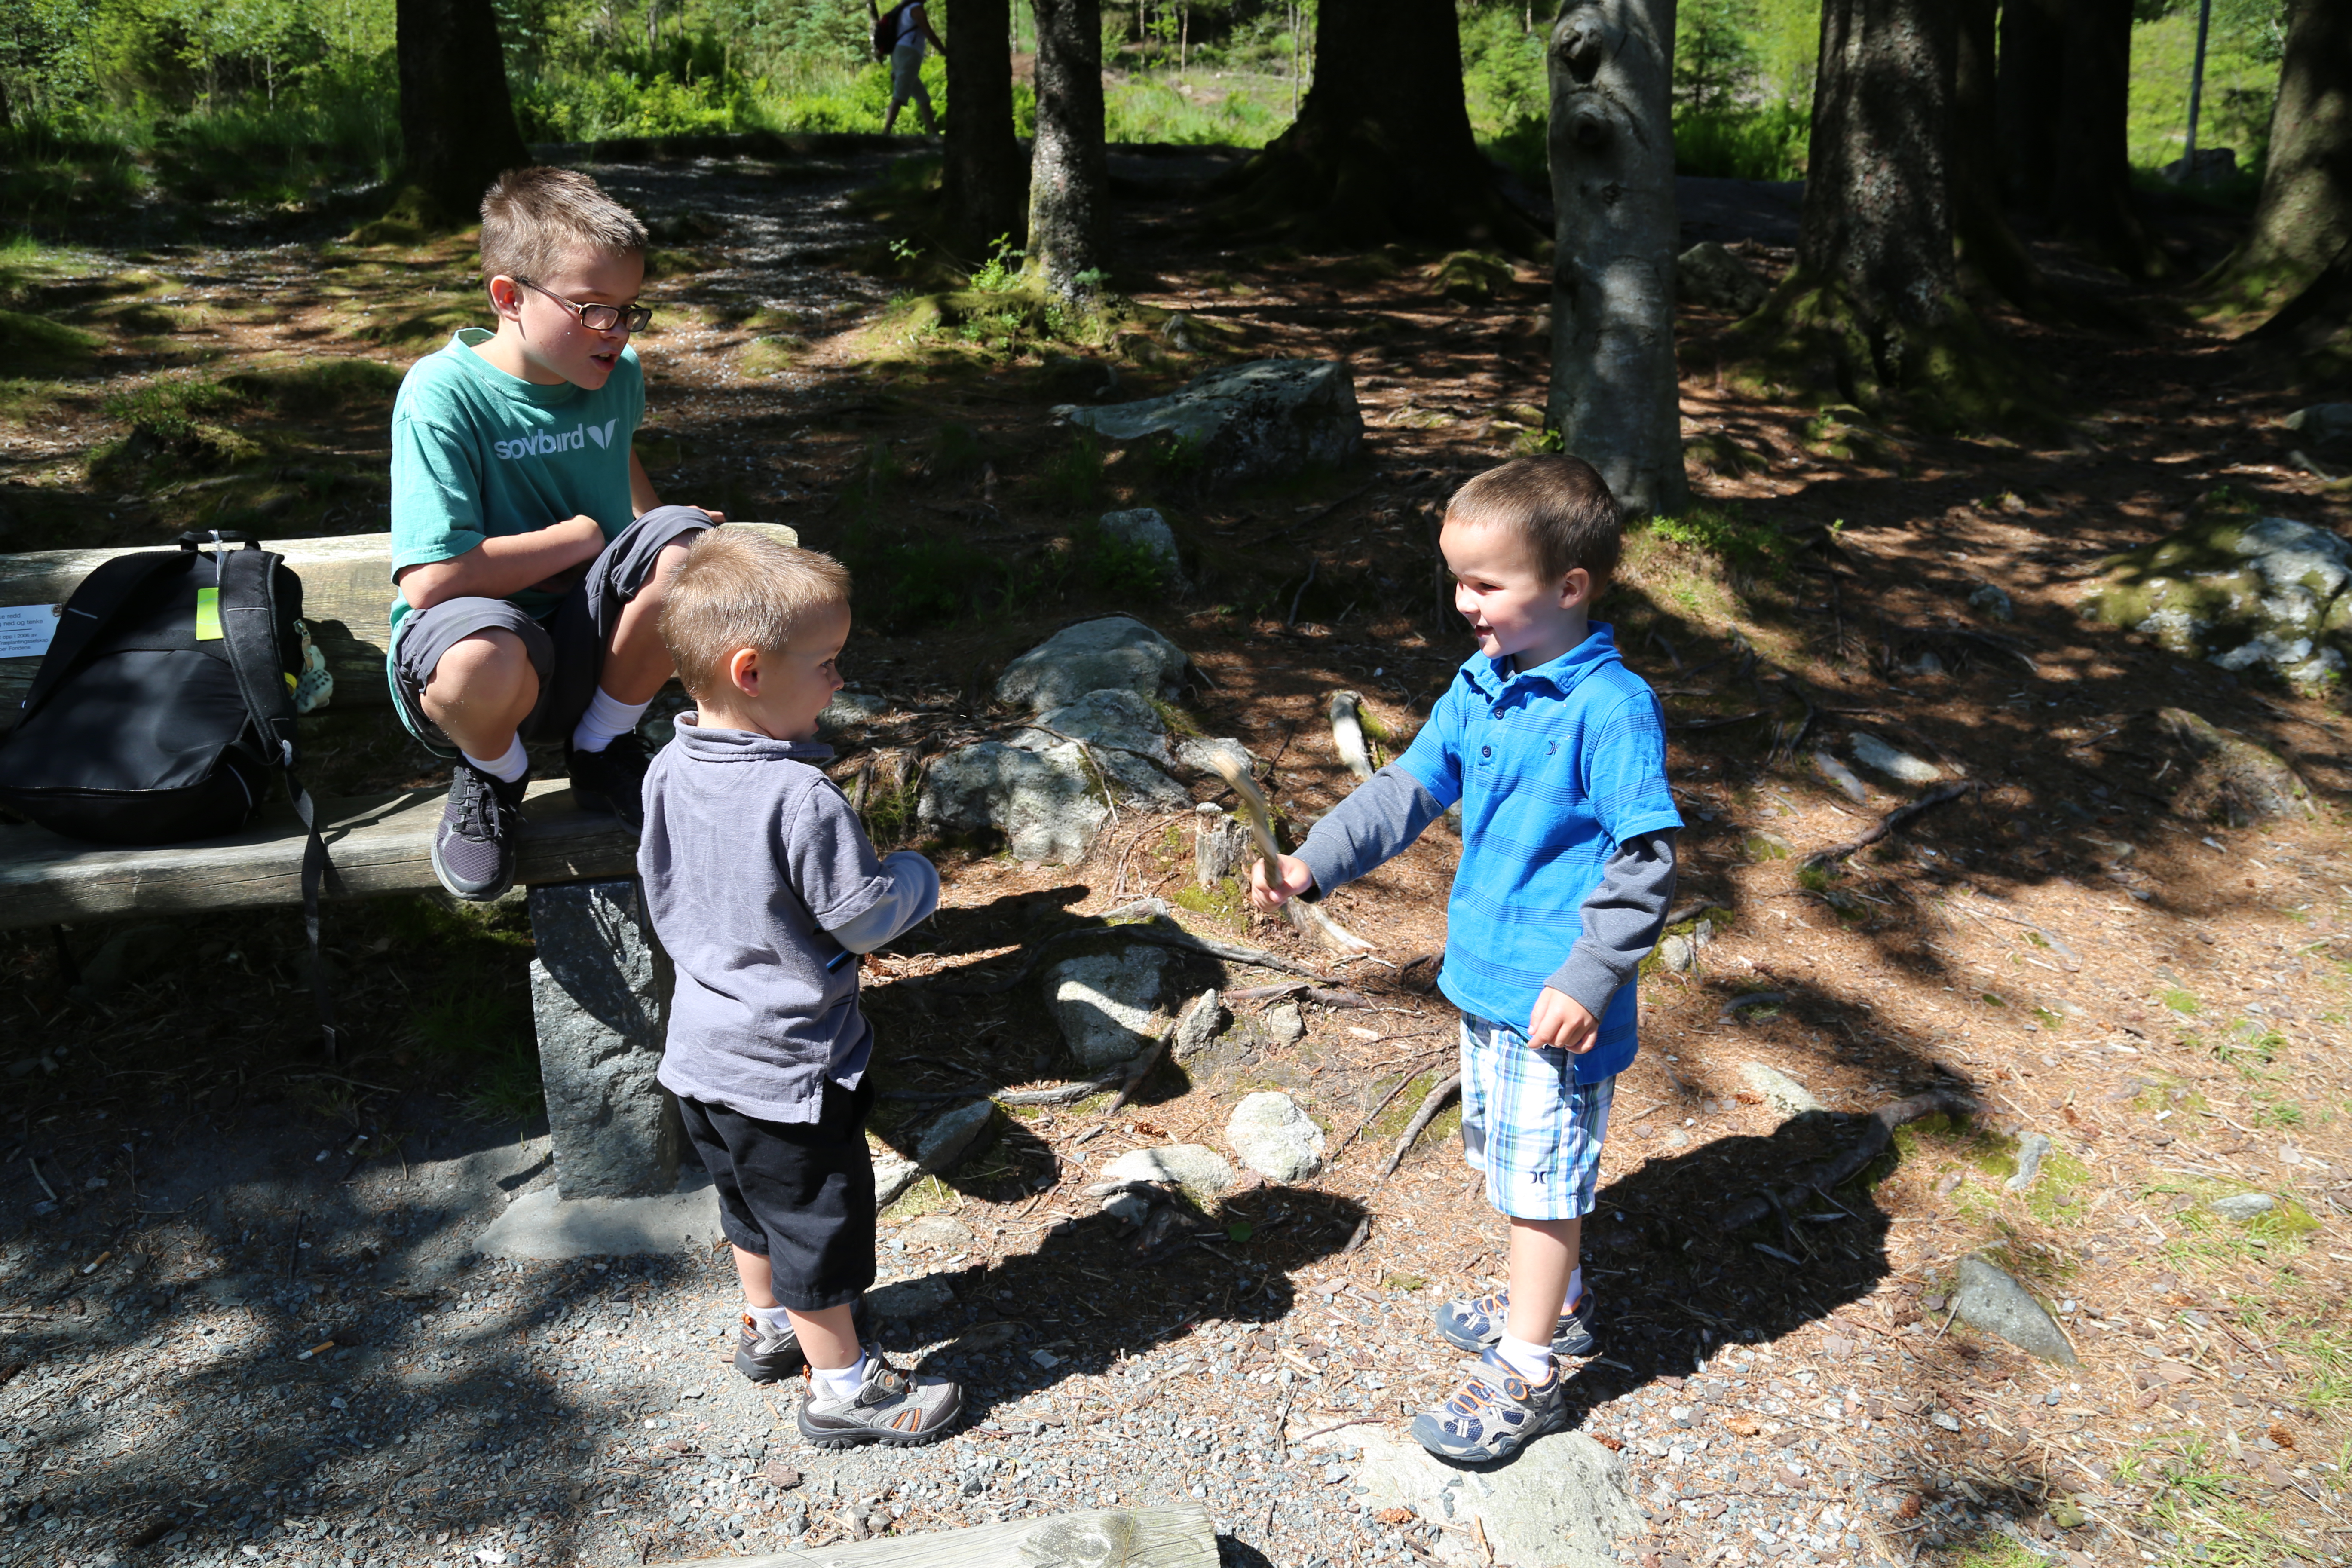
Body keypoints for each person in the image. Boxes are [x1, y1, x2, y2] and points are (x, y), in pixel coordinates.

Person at [1250, 455, 1682, 1464]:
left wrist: (1588, 978)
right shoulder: (1483, 684)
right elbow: (1406, 791)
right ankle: (1558, 1301)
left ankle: (1528, 1371)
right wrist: (1312, 861)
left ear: (1568, 588)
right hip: (1483, 985)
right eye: (1456, 579)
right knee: (1507, 1162)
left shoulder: (1609, 709)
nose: (1461, 605)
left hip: (1551, 1001)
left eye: (1484, 585)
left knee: (1542, 1190)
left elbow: (1643, 857)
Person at [638, 528, 964, 1449]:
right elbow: (862, 916)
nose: (839, 683)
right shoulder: (800, 798)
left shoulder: (666, 767)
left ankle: (770, 1325)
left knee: (747, 1205)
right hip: (789, 1067)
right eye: (826, 665)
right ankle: (844, 1387)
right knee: (817, 1229)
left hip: (701, 1050)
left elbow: (663, 887)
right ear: (749, 671)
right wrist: (917, 876)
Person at [389, 166, 720, 903]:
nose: (619, 332)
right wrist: (577, 538)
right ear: (508, 297)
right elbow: (431, 581)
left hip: (589, 652)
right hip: (474, 665)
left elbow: (620, 464)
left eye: (632, 310)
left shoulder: (615, 372)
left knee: (693, 550)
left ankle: (602, 745)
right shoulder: (442, 393)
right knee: (484, 659)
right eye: (594, 308)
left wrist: (675, 537)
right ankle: (494, 774)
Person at [875, 0, 945, 135]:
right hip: (909, 53)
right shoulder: (916, 9)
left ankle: (935, 135)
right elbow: (929, 33)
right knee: (900, 96)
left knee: (924, 99)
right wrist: (945, 51)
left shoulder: (904, 9)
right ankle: (885, 134)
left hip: (899, 53)